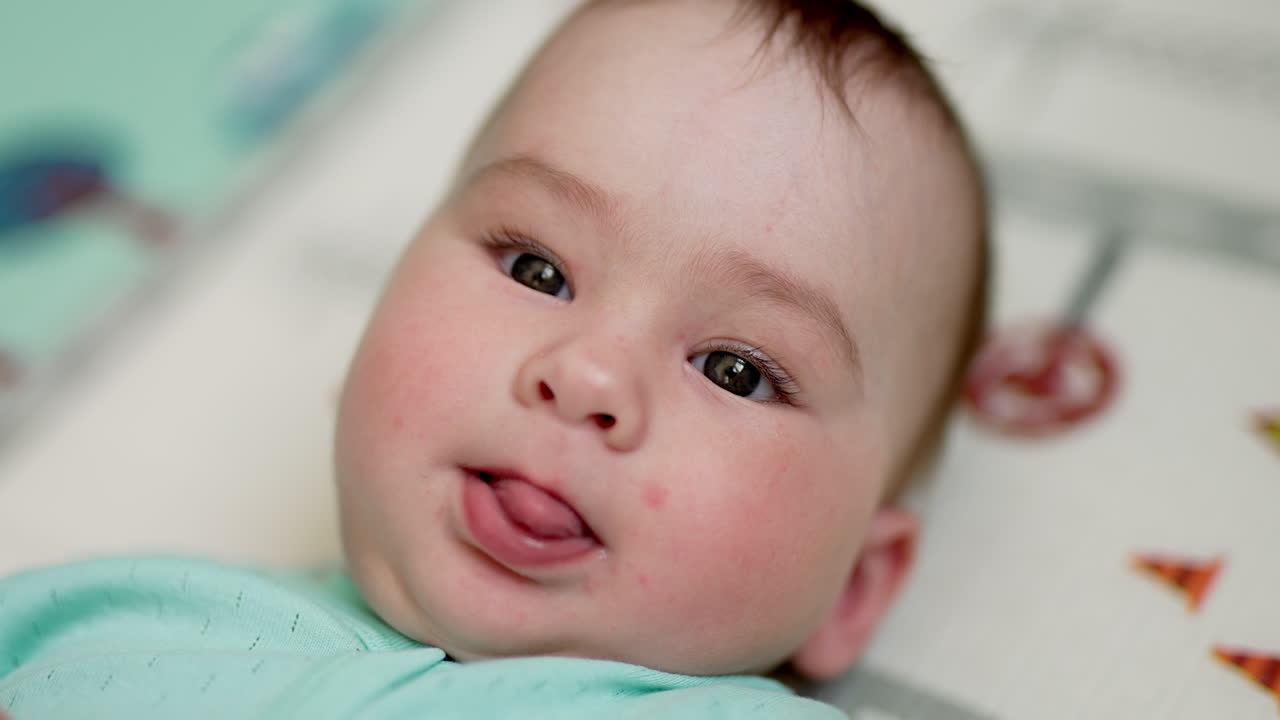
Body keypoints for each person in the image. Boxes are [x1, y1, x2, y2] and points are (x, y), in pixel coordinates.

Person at [0, 0, 988, 717]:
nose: (587, 375)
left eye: (733, 368)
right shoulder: (105, 617)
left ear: (854, 583)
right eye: (536, 269)